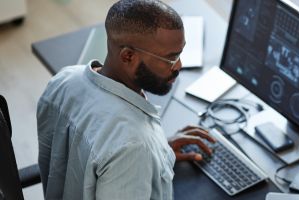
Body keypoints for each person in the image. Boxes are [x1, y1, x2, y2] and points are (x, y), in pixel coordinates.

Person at [37, 0, 215, 199]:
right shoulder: (134, 147)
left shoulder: (63, 79)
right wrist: (142, 155)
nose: (179, 65)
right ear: (128, 56)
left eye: (181, 53)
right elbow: (123, 147)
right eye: (171, 58)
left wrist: (159, 153)